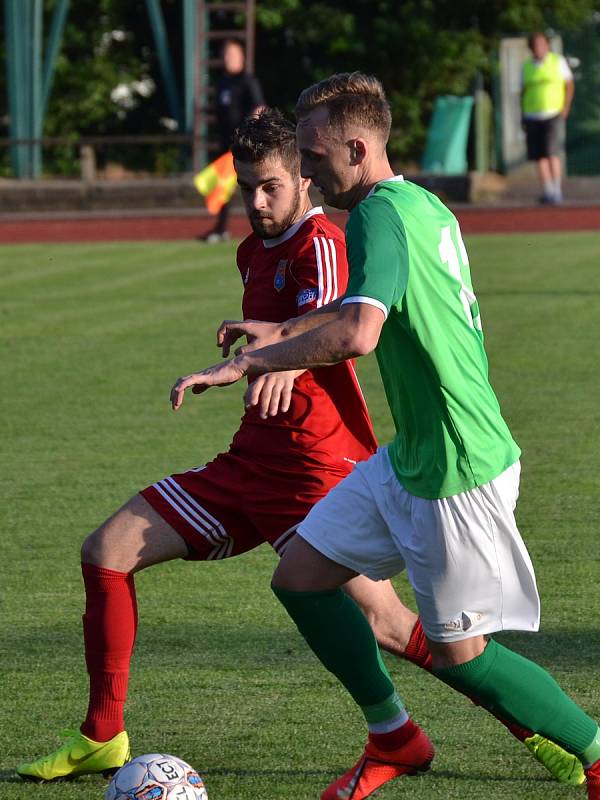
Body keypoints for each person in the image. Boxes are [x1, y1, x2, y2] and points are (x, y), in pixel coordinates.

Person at [17, 109, 579, 788]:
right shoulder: (253, 251)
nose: (257, 201)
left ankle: (542, 734)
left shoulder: (328, 240)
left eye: (273, 185)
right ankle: (103, 734)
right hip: (250, 463)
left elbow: (343, 318)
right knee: (106, 552)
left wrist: (274, 355)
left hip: (320, 469)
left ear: (307, 182)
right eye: (247, 186)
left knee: (399, 628)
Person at [170, 74, 600, 800]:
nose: (305, 171)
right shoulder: (420, 204)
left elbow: (358, 334)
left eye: (313, 155)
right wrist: (285, 328)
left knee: (463, 658)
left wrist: (249, 361)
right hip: (413, 457)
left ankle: (594, 752)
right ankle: (393, 735)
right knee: (301, 577)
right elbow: (361, 303)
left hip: (456, 466)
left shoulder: (376, 218)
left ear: (359, 148)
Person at [200, 38, 265, 243]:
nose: (229, 59)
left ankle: (265, 227)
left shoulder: (247, 80)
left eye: (233, 54)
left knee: (253, 184)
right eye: (226, 55)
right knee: (223, 187)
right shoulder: (222, 83)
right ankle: (221, 229)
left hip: (242, 144)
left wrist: (247, 136)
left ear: (242, 57)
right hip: (224, 143)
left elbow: (259, 108)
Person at [522, 32, 574, 204]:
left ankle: (557, 191)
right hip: (532, 116)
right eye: (536, 45)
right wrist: (522, 115)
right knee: (540, 156)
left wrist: (565, 107)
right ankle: (548, 191)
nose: (539, 48)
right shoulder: (527, 66)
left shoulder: (557, 61)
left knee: (552, 152)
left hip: (553, 114)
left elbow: (569, 84)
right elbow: (523, 92)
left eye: (542, 44)